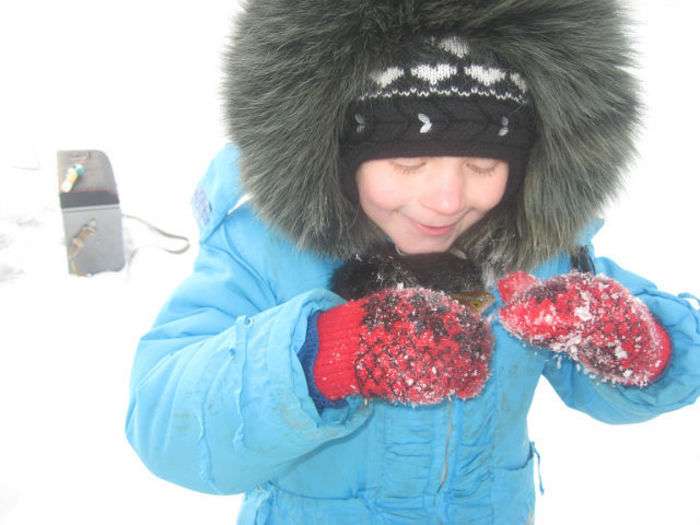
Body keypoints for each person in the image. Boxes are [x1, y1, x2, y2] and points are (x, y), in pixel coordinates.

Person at [125, 1, 700, 523]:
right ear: (339, 157)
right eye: (406, 161)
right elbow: (164, 419)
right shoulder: (265, 251)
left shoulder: (531, 254)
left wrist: (641, 347)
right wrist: (324, 356)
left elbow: (664, 365)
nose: (448, 200)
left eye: (481, 166)